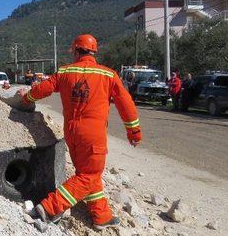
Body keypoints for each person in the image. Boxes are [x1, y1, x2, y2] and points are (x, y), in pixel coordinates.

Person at [19, 34, 141, 230]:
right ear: (94, 52)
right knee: (89, 175)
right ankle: (49, 208)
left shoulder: (65, 71)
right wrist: (134, 131)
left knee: (86, 174)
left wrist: (27, 98)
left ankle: (101, 216)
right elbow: (126, 104)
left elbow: (43, 88)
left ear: (76, 51)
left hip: (72, 133)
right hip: (92, 135)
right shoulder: (108, 75)